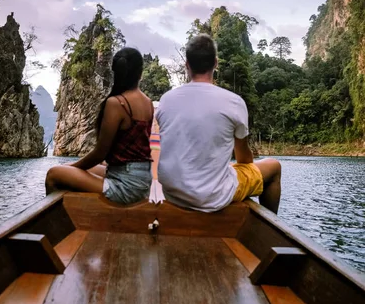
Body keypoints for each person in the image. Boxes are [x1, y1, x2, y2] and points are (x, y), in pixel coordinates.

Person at [157, 34, 281, 214]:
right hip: (211, 196)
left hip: (172, 192)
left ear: (187, 65)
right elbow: (244, 160)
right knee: (274, 166)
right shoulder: (233, 102)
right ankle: (268, 234)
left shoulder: (166, 100)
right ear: (215, 63)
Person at [45, 47, 154, 204]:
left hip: (126, 186)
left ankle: (58, 225)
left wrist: (74, 167)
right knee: (68, 167)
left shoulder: (117, 103)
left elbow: (100, 154)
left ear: (116, 72)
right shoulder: (148, 102)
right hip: (141, 180)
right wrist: (73, 167)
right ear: (140, 74)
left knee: (54, 174)